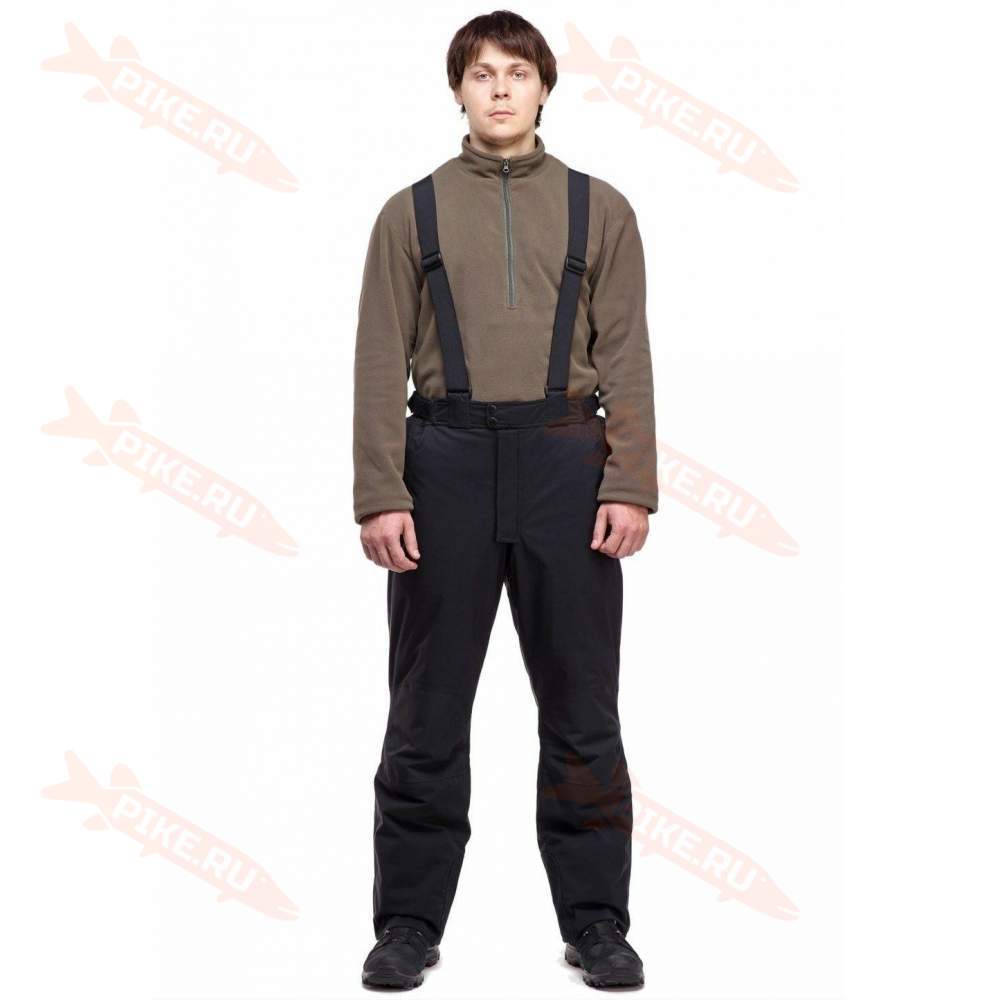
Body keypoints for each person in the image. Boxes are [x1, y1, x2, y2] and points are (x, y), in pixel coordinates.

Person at [353, 10, 658, 990]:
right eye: (481, 73)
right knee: (425, 709)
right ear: (458, 90)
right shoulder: (409, 213)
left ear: (543, 89)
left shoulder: (600, 208)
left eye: (516, 73)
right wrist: (379, 491)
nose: (498, 88)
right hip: (441, 460)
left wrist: (631, 481)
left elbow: (628, 355)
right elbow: (376, 362)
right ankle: (408, 923)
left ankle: (597, 922)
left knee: (582, 707)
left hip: (568, 460)